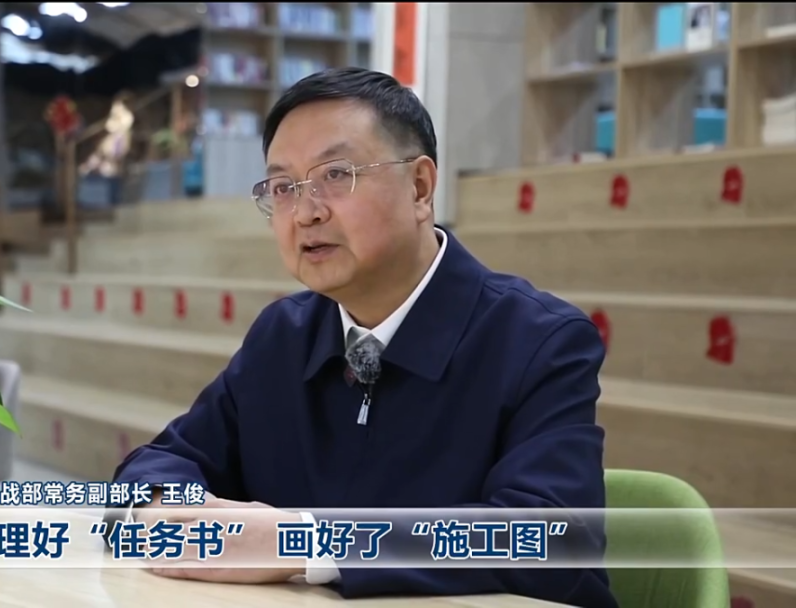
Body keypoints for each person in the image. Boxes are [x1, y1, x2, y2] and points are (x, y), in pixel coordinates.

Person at [108, 68, 615, 607]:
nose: (307, 213)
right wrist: (161, 509)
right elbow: (163, 461)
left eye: (336, 174)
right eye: (284, 188)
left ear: (420, 187)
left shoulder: (538, 341)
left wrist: (308, 544)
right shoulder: (283, 335)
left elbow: (551, 537)